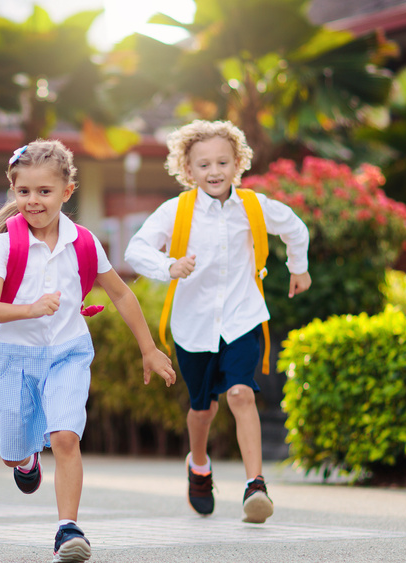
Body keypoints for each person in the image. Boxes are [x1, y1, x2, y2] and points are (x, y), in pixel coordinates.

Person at [0, 139, 176, 563]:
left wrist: (148, 349)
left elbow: (120, 294)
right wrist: (30, 309)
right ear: (13, 191)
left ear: (67, 192)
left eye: (44, 191)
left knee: (64, 436)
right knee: (13, 450)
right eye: (24, 192)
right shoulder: (7, 244)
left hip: (68, 352)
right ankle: (25, 464)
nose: (33, 201)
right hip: (13, 358)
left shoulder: (84, 242)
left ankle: (68, 530)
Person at [125, 120, 311, 524]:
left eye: (223, 162)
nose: (214, 171)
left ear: (238, 164)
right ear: (187, 170)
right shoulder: (177, 211)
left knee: (242, 394)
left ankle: (255, 486)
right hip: (193, 326)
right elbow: (136, 248)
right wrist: (169, 265)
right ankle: (199, 465)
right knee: (203, 409)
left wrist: (299, 268)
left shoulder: (254, 207)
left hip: (243, 317)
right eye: (204, 164)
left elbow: (295, 228)